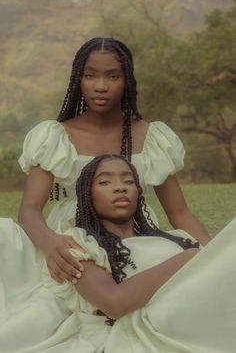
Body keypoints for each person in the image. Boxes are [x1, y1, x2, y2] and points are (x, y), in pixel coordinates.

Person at [10, 36, 209, 284]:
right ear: (77, 81)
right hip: (71, 244)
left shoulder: (152, 136)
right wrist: (51, 244)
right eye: (90, 75)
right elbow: (29, 210)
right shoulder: (55, 136)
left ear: (127, 81)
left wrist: (213, 257)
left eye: (113, 76)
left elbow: (180, 213)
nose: (101, 86)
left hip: (134, 239)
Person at [0, 154, 235, 353]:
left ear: (138, 192)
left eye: (129, 181)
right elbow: (114, 301)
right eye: (104, 182)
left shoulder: (175, 238)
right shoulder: (82, 244)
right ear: (87, 196)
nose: (120, 186)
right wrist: (189, 259)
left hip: (197, 310)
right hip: (150, 325)